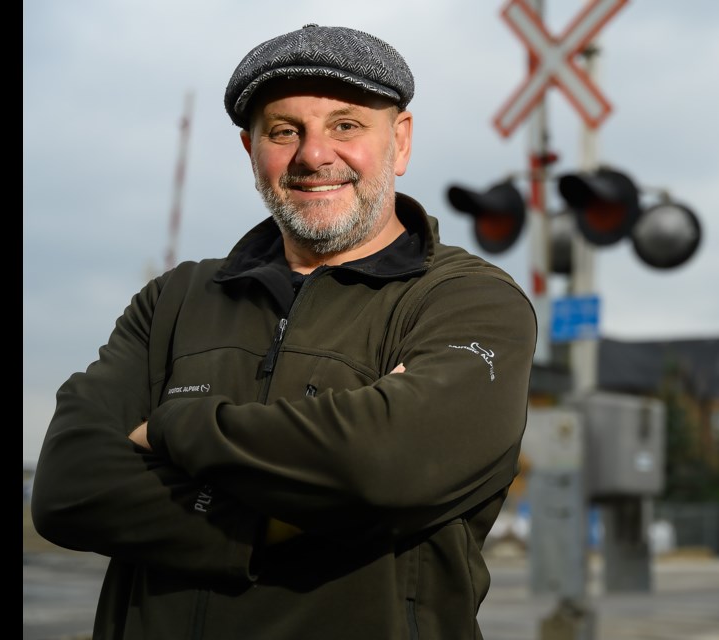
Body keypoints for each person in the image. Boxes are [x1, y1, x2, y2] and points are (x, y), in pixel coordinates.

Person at [31, 23, 537, 640]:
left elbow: (388, 462)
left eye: (346, 125)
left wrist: (169, 429)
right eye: (284, 130)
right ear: (250, 150)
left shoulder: (467, 300)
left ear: (400, 142)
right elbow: (68, 488)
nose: (314, 154)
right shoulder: (174, 300)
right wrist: (266, 520)